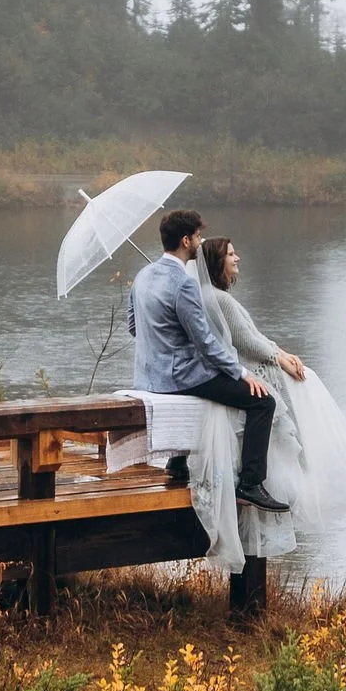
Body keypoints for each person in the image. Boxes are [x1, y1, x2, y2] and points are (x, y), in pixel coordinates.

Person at [196, 234, 346, 531]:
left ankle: (333, 455)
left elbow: (254, 336)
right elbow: (246, 342)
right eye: (230, 254)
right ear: (217, 262)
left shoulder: (212, 296)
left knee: (303, 379)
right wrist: (279, 359)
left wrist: (282, 353)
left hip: (251, 365)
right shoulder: (220, 300)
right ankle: (334, 458)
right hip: (245, 370)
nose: (237, 258)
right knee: (304, 381)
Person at [126, 207, 286, 508]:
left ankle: (177, 463)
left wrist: (163, 341)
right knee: (263, 401)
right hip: (178, 378)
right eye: (198, 236)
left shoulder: (142, 275)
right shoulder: (183, 283)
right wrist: (241, 372)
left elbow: (134, 327)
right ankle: (250, 483)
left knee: (223, 385)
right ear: (186, 240)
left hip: (147, 375)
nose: (201, 242)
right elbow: (206, 343)